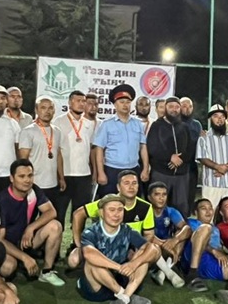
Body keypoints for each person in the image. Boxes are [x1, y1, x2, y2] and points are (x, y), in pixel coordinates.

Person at [68, 171, 183, 287]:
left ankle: (166, 274)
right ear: (118, 187)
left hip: (129, 247)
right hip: (103, 245)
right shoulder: (108, 203)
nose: (131, 187)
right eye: (126, 183)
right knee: (73, 259)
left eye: (134, 183)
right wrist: (78, 243)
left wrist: (139, 249)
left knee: (149, 250)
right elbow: (78, 214)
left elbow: (149, 234)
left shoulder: (145, 207)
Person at [77, 193, 161, 304]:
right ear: (101, 213)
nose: (116, 214)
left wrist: (134, 264)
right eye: (112, 210)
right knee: (93, 262)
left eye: (120, 210)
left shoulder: (127, 230)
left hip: (122, 279)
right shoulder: (91, 232)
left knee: (143, 256)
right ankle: (126, 296)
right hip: (98, 286)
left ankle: (124, 299)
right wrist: (119, 267)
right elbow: (89, 254)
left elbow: (153, 249)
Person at [0, 159, 64, 286]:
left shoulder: (34, 190)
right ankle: (12, 269)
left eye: (30, 175)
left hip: (26, 240)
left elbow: (51, 211)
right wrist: (24, 257)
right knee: (8, 268)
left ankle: (46, 272)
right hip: (8, 246)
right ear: (12, 178)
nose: (27, 180)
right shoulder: (1, 200)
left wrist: (31, 228)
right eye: (22, 176)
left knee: (55, 226)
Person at [181, 198, 228, 304]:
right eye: (203, 208)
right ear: (195, 212)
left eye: (210, 208)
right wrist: (213, 251)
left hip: (209, 262)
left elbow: (219, 250)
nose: (208, 211)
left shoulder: (216, 229)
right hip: (192, 257)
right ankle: (192, 275)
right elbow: (196, 240)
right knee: (206, 228)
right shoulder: (191, 223)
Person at [93, 84, 149, 198]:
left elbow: (143, 147)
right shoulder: (106, 124)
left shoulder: (138, 123)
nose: (125, 105)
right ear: (115, 104)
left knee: (132, 202)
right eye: (121, 102)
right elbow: (99, 149)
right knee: (110, 203)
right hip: (112, 170)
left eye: (128, 102)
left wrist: (145, 169)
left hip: (133, 169)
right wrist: (101, 173)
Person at [53, 90, 95, 227]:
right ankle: (56, 239)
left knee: (80, 214)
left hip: (84, 174)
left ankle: (77, 239)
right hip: (65, 174)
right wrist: (59, 176)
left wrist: (94, 171)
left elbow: (91, 149)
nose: (81, 104)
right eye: (78, 101)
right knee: (60, 212)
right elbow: (56, 150)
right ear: (70, 103)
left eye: (83, 101)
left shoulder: (89, 123)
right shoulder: (58, 122)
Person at [146, 96, 193, 217]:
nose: (174, 109)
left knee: (181, 207)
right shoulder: (157, 126)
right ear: (165, 108)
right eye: (171, 106)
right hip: (161, 173)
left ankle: (180, 228)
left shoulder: (184, 127)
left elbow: (190, 148)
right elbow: (152, 148)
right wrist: (170, 157)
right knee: (158, 205)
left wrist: (180, 160)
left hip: (181, 174)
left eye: (177, 107)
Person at [18, 95, 65, 202]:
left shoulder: (57, 131)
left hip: (53, 183)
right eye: (43, 107)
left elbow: (58, 155)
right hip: (34, 183)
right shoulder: (28, 131)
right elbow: (23, 160)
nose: (47, 111)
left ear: (54, 110)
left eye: (50, 108)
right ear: (36, 110)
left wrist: (61, 178)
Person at [196, 104, 228, 208]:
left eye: (222, 116)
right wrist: (217, 167)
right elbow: (202, 158)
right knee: (210, 214)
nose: (219, 119)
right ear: (210, 119)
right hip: (211, 184)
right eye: (216, 116)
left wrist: (225, 168)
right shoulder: (204, 138)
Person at [147, 181, 192, 285]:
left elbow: (187, 228)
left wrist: (175, 240)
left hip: (168, 247)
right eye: (157, 194)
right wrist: (165, 244)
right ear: (149, 198)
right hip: (152, 247)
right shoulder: (145, 211)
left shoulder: (170, 211)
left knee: (181, 234)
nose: (161, 198)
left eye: (164, 194)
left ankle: (163, 271)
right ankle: (169, 271)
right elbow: (147, 236)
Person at [180, 96, 204, 209]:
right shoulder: (174, 123)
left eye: (190, 106)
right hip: (178, 165)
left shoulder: (197, 125)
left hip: (192, 165)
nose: (187, 109)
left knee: (190, 195)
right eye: (184, 106)